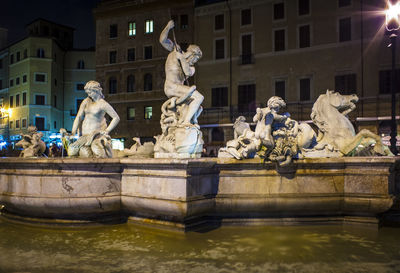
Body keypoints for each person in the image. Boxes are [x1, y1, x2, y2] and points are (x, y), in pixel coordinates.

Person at [159, 20, 203, 126]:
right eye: (195, 60)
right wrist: (168, 27)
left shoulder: (190, 67)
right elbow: (162, 40)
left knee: (199, 106)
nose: (194, 62)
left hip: (179, 89)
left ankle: (189, 120)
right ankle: (186, 122)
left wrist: (182, 59)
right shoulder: (175, 51)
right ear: (192, 54)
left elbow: (187, 71)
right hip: (171, 86)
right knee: (199, 97)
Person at [68, 80, 120, 157]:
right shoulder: (86, 101)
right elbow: (78, 117)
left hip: (96, 135)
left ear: (96, 91)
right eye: (88, 93)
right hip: (85, 135)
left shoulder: (103, 104)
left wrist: (107, 130)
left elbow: (116, 118)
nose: (89, 95)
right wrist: (73, 132)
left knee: (96, 151)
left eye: (90, 92)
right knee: (71, 151)